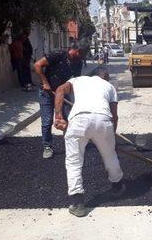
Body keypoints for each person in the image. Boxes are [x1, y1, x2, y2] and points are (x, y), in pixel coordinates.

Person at [53, 67, 124, 217]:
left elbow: (59, 90)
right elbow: (114, 116)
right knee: (110, 155)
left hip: (78, 121)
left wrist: (58, 116)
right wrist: (112, 138)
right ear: (105, 77)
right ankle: (117, 186)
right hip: (103, 120)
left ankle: (78, 202)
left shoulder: (77, 80)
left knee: (74, 161)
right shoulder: (109, 87)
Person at [33, 44, 84, 159]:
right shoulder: (58, 55)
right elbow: (37, 65)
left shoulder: (78, 62)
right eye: (80, 54)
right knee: (46, 121)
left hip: (63, 94)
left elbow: (76, 81)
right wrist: (45, 82)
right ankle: (47, 147)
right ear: (76, 50)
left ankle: (71, 145)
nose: (81, 57)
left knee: (70, 118)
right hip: (47, 93)